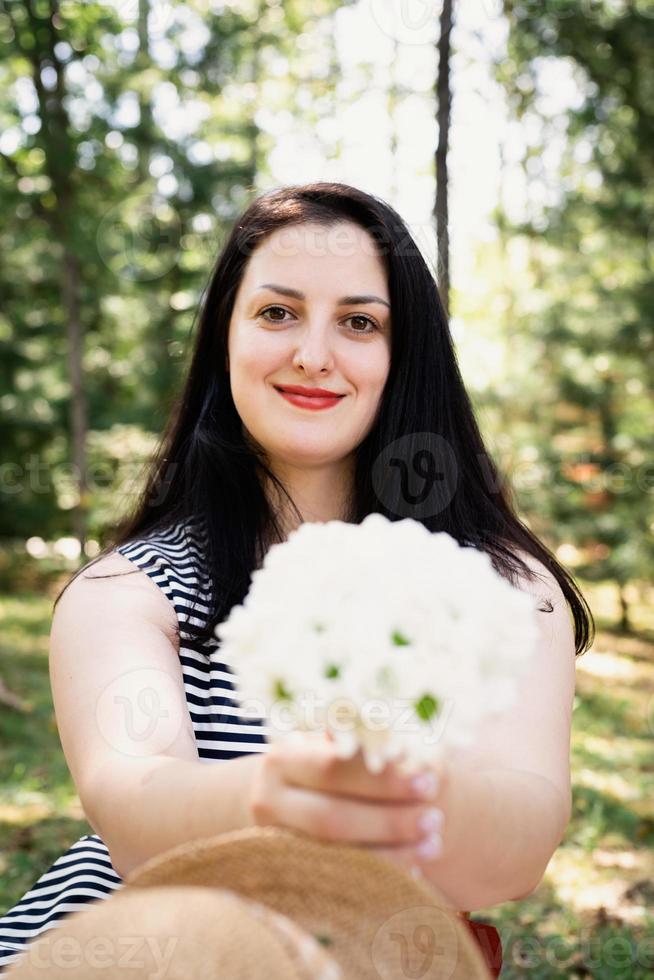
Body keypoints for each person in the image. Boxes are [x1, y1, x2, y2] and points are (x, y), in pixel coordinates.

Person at [0, 182, 594, 976]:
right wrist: (279, 789)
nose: (314, 353)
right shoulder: (126, 591)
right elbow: (137, 817)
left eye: (359, 322)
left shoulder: (507, 591)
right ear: (224, 340)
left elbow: (515, 855)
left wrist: (406, 784)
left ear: (402, 353)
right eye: (277, 313)